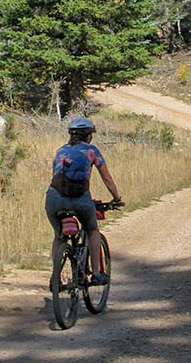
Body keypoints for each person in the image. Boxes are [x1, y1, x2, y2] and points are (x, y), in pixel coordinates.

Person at [45, 117, 123, 286]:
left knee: (59, 236)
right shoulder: (92, 151)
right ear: (89, 136)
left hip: (54, 198)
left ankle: (55, 277)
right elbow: (107, 179)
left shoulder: (61, 151)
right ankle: (95, 273)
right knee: (93, 230)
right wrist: (116, 198)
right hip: (79, 198)